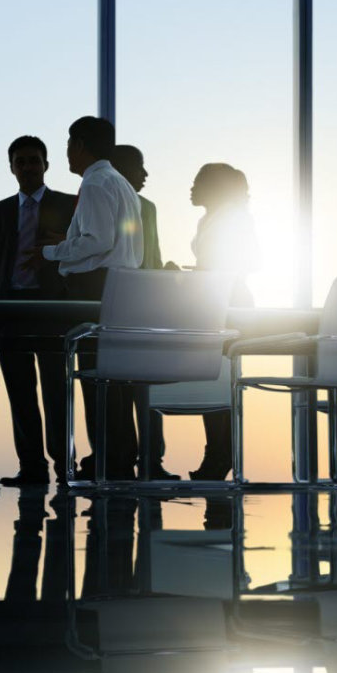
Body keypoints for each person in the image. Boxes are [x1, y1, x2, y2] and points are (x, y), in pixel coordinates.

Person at [42, 116, 143, 478]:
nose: (66, 152)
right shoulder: (120, 183)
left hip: (95, 287)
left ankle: (105, 458)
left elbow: (97, 241)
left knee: (96, 377)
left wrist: (52, 252)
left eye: (69, 144)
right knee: (114, 380)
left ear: (80, 144)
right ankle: (117, 456)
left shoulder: (97, 183)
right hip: (121, 286)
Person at [0, 136, 76, 485]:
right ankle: (32, 466)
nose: (27, 167)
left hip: (53, 307)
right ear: (11, 168)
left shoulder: (69, 205)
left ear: (46, 165)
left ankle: (65, 466)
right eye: (20, 162)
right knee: (19, 392)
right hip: (10, 308)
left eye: (34, 160)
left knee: (56, 390)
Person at [185, 162, 256, 481]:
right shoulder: (210, 218)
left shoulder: (234, 217)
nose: (192, 186)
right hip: (211, 299)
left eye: (198, 180)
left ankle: (219, 456)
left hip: (228, 302)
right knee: (212, 378)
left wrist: (203, 273)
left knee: (218, 378)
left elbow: (247, 259)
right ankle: (217, 454)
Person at [111, 143, 177, 479]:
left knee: (142, 389)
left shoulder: (145, 207)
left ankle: (148, 458)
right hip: (126, 308)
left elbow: (151, 257)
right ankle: (133, 457)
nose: (146, 174)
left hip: (141, 309)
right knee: (128, 390)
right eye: (139, 167)